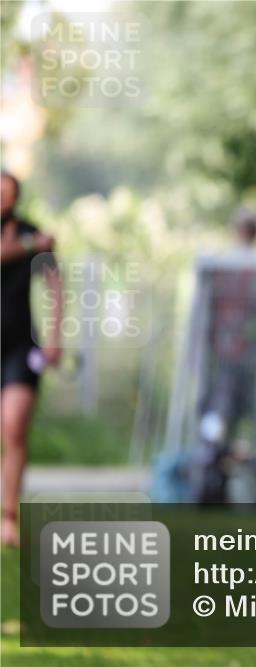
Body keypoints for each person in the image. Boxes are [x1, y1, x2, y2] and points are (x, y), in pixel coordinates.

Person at [1, 171, 63, 547]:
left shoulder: (30, 232)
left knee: (15, 427)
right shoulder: (32, 239)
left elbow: (56, 284)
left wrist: (55, 336)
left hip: (20, 346)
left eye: (8, 193)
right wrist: (33, 244)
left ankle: (8, 516)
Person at [191, 206, 256, 503]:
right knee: (216, 417)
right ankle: (206, 476)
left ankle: (235, 483)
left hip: (249, 362)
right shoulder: (223, 266)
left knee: (241, 421)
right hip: (222, 359)